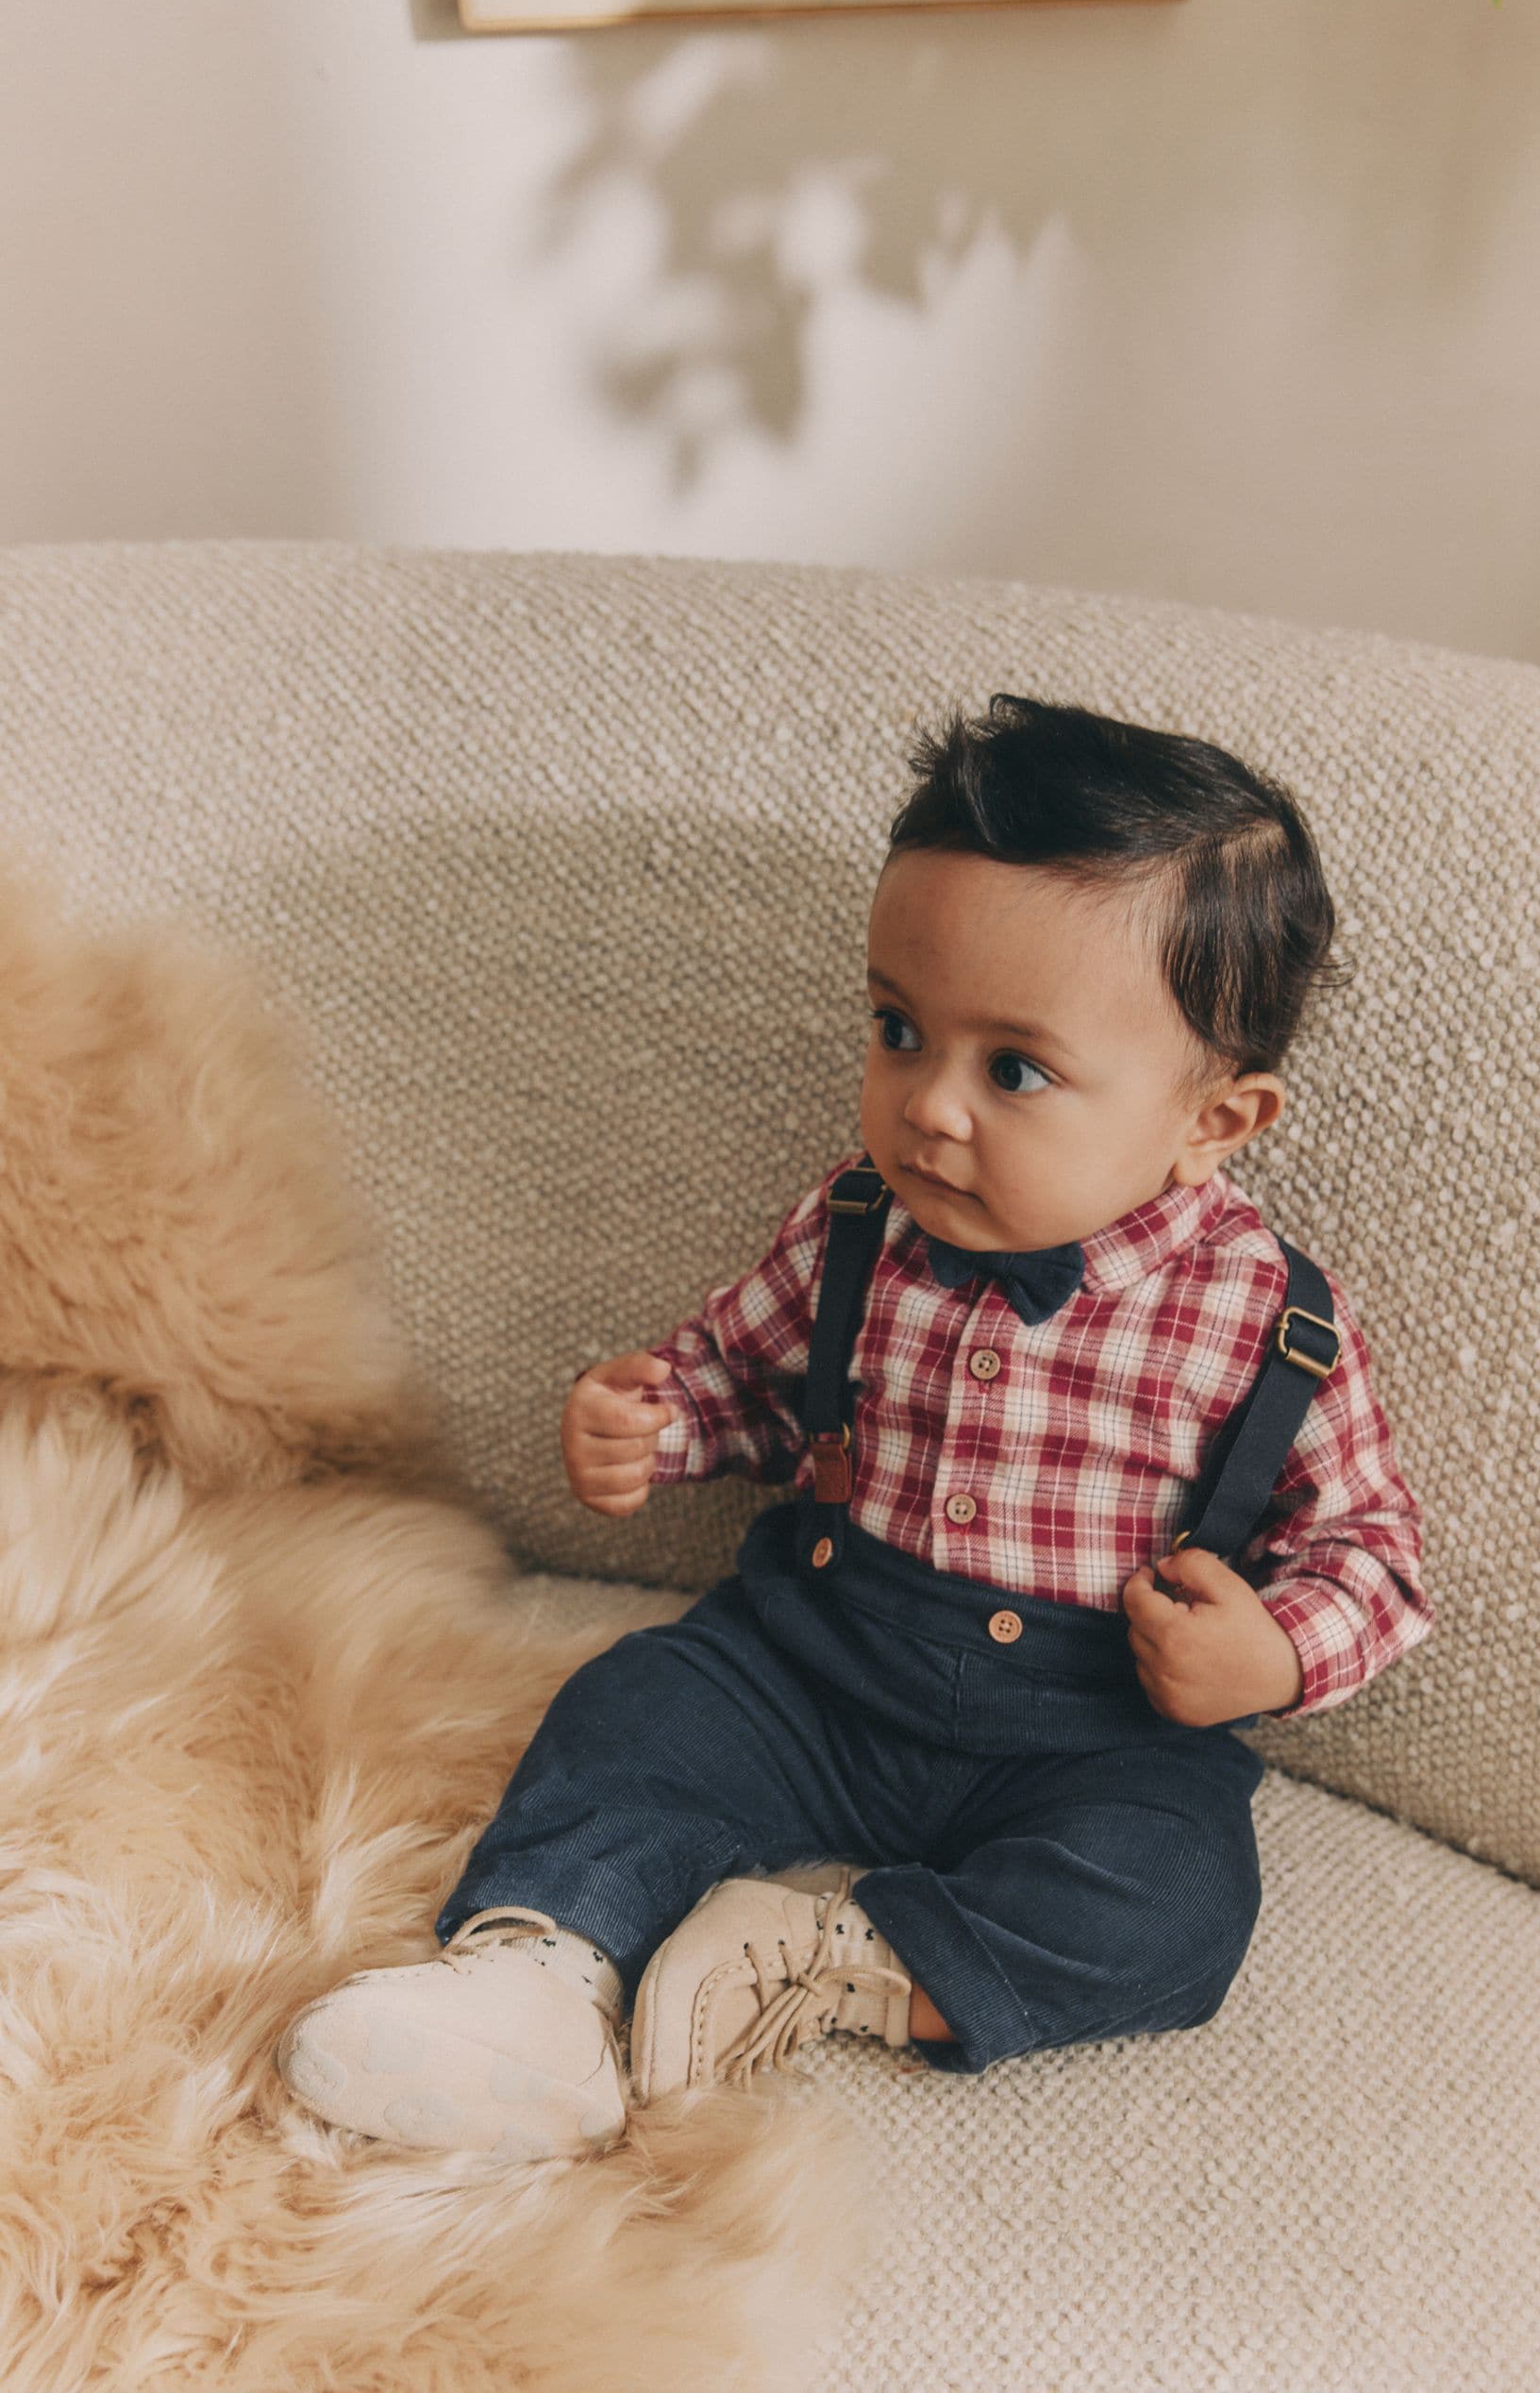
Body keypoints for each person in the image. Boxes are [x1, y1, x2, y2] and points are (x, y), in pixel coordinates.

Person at [276, 694, 1434, 2162]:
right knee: (635, 1715)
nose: (929, 1109)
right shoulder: (857, 1228)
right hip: (815, 1660)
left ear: (1215, 1121)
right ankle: (534, 1983)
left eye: (1015, 1069)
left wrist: (1271, 1652)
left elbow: (1376, 1562)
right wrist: (658, 1420)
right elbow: (750, 1380)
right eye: (899, 1029)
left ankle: (837, 1961)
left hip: (1093, 1734)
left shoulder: (1267, 1326)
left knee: (1176, 1907)